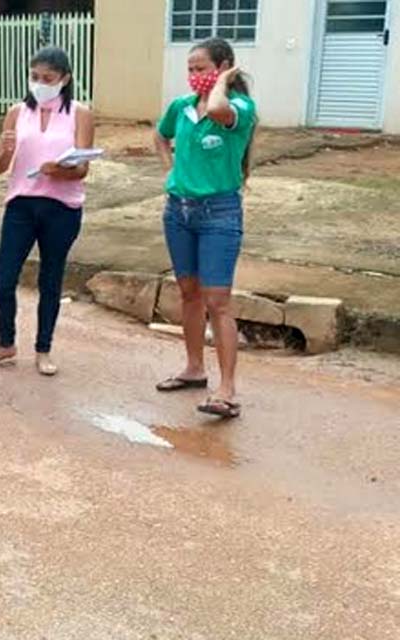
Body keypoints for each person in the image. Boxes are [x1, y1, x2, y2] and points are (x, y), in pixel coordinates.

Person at [153, 38, 257, 419]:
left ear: (224, 67)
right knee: (189, 293)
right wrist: (171, 170)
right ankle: (194, 368)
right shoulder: (181, 107)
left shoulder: (239, 108)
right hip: (178, 212)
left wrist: (223, 83)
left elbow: (216, 108)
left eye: (202, 69)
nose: (194, 75)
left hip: (219, 214)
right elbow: (160, 135)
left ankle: (227, 389)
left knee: (218, 301)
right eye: (190, 69)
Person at [0, 47, 94, 377]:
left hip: (62, 207)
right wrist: (5, 150)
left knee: (50, 280)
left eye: (48, 78)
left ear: (64, 79)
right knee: (3, 280)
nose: (40, 84)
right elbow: (0, 166)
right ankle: (5, 343)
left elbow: (83, 168)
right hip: (21, 204)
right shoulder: (17, 112)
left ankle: (43, 349)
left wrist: (59, 169)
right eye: (34, 77)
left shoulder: (80, 113)